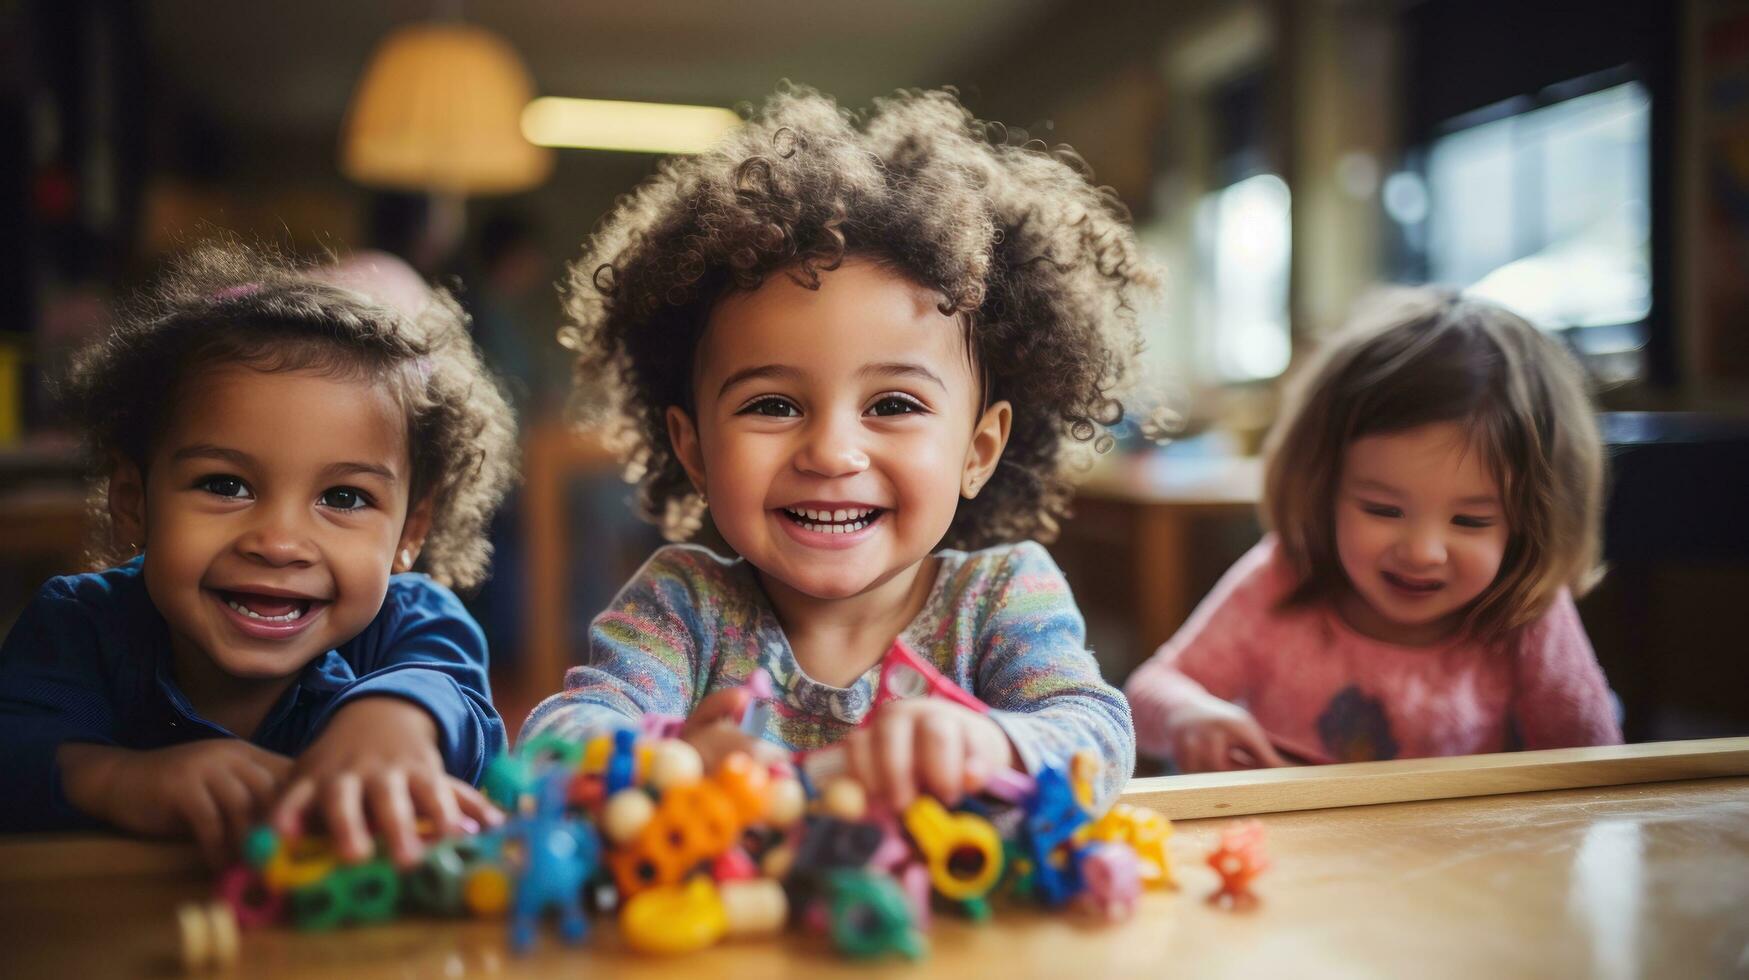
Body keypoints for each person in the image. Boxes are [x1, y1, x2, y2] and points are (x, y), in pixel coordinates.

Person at [522, 86, 1151, 810]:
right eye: (772, 405)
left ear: (976, 452)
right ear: (693, 450)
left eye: (892, 405)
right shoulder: (682, 606)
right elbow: (553, 747)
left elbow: (1095, 735)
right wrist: (661, 757)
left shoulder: (1001, 597)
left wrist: (995, 743)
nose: (829, 452)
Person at [0, 243, 519, 867]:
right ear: (134, 502)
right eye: (225, 486)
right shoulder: (79, 626)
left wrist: (395, 721)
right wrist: (122, 781)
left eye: (344, 497)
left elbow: (451, 696)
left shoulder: (411, 624)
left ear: (411, 531)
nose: (277, 543)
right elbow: (16, 752)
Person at [1125, 289, 1623, 772]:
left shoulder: (1527, 611)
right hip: (1291, 849)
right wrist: (1184, 713)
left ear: (1530, 526)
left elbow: (1594, 767)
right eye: (1383, 509)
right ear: (1324, 487)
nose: (1423, 552)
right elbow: (1149, 691)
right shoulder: (1281, 575)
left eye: (1470, 521)